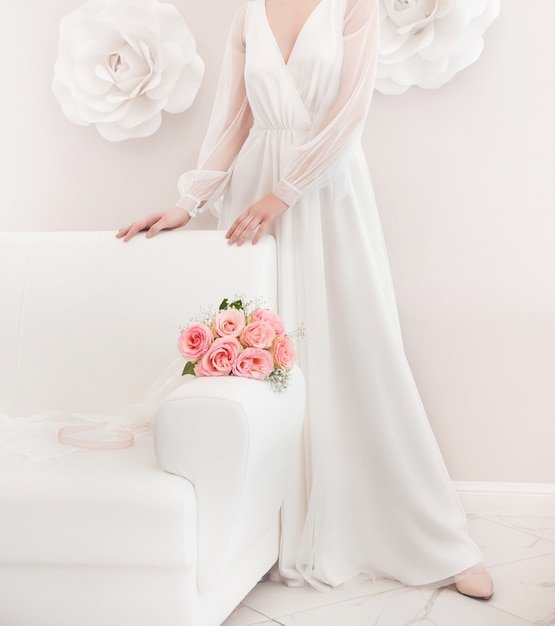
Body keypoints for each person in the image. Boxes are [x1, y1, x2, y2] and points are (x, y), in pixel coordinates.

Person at [117, 0, 494, 599]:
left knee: (357, 347)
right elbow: (234, 121)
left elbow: (349, 115)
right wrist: (188, 203)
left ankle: (423, 535)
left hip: (326, 192)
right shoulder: (249, 11)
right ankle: (263, 527)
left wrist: (285, 192)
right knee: (264, 357)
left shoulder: (354, 6)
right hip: (253, 201)